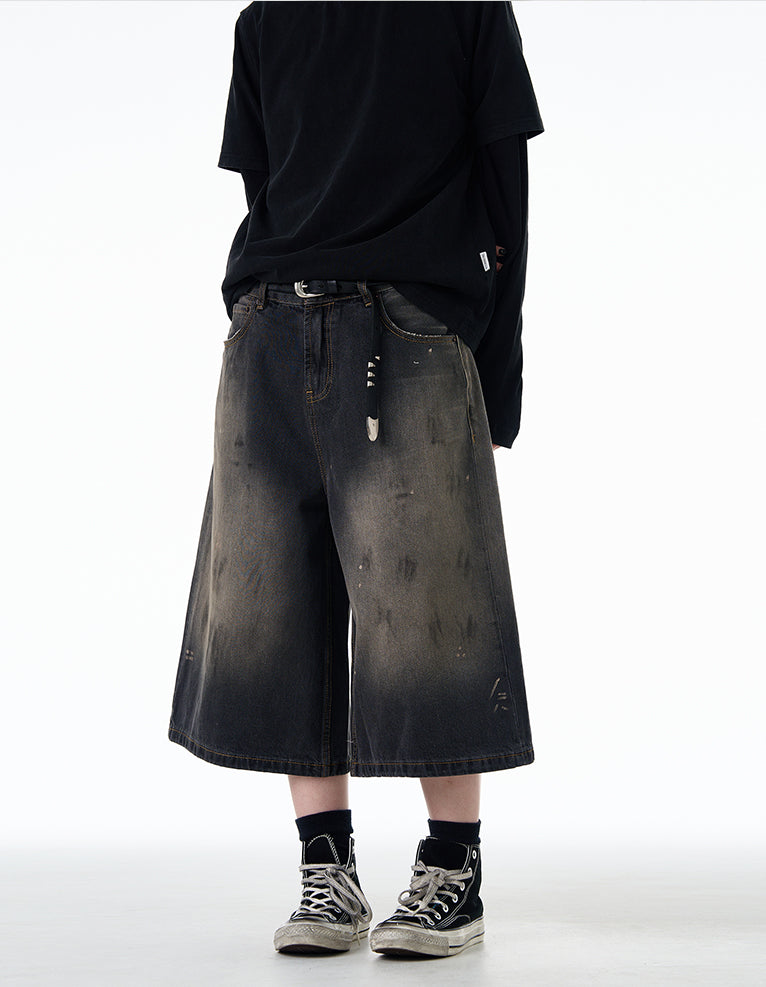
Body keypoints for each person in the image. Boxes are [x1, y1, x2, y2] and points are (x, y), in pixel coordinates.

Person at [167, 0, 544, 959]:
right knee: (277, 605)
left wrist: (495, 371)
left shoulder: (466, 11)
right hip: (270, 328)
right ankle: (324, 868)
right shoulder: (265, 22)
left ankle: (453, 867)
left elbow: (508, 201)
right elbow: (266, 192)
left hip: (408, 334)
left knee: (430, 612)